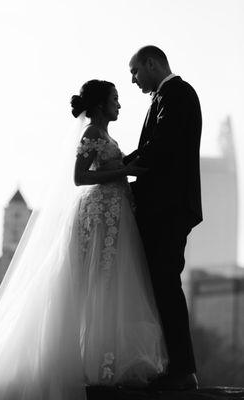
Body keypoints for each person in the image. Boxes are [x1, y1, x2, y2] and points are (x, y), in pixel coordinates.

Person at [0, 79, 168, 399]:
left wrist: (128, 168)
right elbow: (80, 178)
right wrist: (125, 171)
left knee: (108, 284)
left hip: (112, 213)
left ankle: (102, 361)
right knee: (96, 282)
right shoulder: (91, 133)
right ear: (99, 106)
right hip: (97, 213)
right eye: (115, 99)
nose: (119, 105)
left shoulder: (105, 135)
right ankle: (92, 364)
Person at [125, 45, 203, 390]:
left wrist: (119, 167)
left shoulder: (179, 94)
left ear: (152, 63)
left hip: (169, 209)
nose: (133, 80)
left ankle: (182, 371)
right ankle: (170, 366)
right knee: (159, 286)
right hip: (160, 208)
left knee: (166, 284)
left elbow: (162, 147)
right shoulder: (164, 97)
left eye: (135, 71)